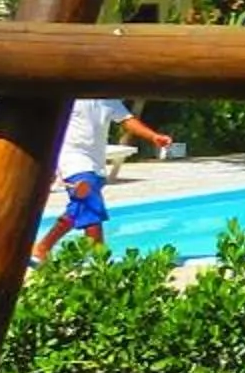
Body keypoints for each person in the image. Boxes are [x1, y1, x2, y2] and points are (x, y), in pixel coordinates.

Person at [33, 98, 174, 263]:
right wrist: (48, 162)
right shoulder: (68, 96)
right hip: (72, 159)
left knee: (78, 208)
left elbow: (126, 120)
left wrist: (153, 136)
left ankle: (43, 247)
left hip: (96, 163)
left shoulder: (107, 98)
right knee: (91, 204)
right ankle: (100, 261)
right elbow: (49, 127)